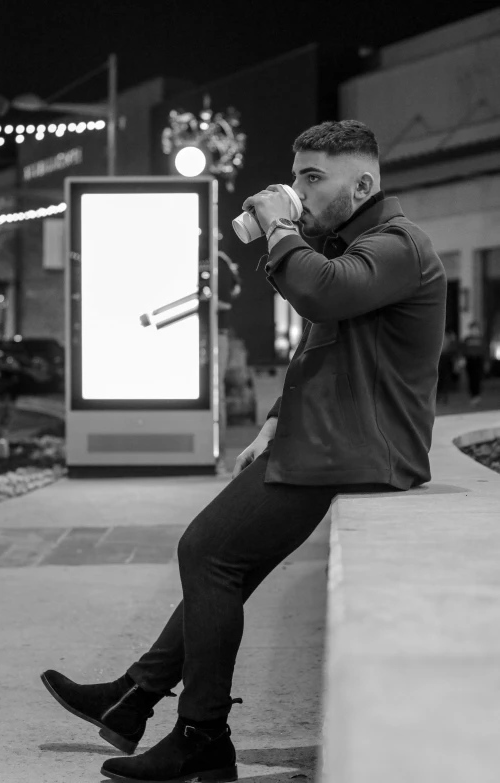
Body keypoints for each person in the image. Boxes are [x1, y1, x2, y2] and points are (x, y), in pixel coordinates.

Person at [40, 120, 447, 783]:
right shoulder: (356, 243)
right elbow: (332, 344)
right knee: (222, 563)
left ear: (364, 184)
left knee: (206, 550)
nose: (298, 192)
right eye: (298, 177)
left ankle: (199, 733)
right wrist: (274, 422)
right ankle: (132, 698)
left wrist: (282, 227)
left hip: (360, 446)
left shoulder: (398, 245)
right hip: (329, 438)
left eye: (313, 179)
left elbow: (323, 292)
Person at [216, 243, 242, 473]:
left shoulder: (218, 262)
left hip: (215, 336)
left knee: (216, 393)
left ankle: (217, 457)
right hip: (212, 335)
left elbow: (224, 301)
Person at [461, 321, 488, 405]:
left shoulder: (482, 339)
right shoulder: (467, 339)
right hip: (470, 360)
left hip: (479, 360)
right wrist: (462, 359)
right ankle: (473, 396)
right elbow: (463, 350)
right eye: (472, 329)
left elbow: (485, 351)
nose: (474, 331)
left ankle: (477, 395)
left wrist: (487, 362)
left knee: (478, 378)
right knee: (471, 378)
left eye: (475, 329)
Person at [437, 327, 458, 405]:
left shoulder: (449, 337)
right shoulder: (441, 335)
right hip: (440, 357)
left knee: (445, 377)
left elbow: (453, 348)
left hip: (446, 358)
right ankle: (440, 395)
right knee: (440, 377)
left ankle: (444, 395)